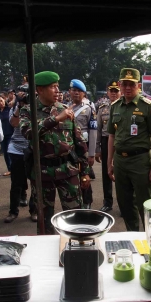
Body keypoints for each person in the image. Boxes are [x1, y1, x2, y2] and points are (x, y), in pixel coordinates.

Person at [19, 71, 90, 234]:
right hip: (43, 173)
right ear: (40, 90)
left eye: (58, 86)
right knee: (44, 221)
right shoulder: (28, 111)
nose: (57, 90)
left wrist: (85, 172)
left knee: (74, 217)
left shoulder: (65, 109)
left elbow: (79, 142)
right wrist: (56, 119)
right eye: (53, 86)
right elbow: (28, 132)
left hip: (68, 170)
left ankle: (76, 249)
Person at [107, 68, 151, 231]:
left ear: (138, 85)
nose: (127, 88)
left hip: (140, 161)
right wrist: (109, 163)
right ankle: (133, 235)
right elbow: (111, 136)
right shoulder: (115, 106)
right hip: (120, 161)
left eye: (131, 84)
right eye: (124, 84)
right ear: (120, 85)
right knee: (124, 203)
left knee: (145, 202)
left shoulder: (148, 106)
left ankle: (150, 237)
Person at [4, 95, 37, 223]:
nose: (25, 103)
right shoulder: (15, 110)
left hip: (33, 150)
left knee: (35, 181)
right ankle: (13, 212)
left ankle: (34, 210)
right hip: (16, 149)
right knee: (16, 183)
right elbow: (13, 123)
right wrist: (19, 107)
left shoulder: (37, 110)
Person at [70, 79, 97, 209]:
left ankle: (87, 203)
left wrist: (91, 153)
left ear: (84, 93)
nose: (76, 93)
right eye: (74, 90)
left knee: (84, 176)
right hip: (69, 149)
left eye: (79, 91)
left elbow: (93, 132)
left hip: (83, 148)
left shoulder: (89, 109)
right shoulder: (64, 108)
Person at [95, 81, 119, 212]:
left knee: (121, 173)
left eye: (116, 91)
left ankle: (123, 203)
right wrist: (97, 149)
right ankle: (107, 202)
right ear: (108, 92)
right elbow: (98, 129)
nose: (114, 93)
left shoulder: (124, 107)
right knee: (106, 173)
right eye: (111, 91)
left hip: (120, 142)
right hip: (105, 141)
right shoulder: (102, 108)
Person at [0, 94, 14, 176]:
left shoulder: (9, 109)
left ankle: (14, 168)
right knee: (5, 153)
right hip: (2, 135)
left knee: (10, 152)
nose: (0, 103)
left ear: (4, 100)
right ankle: (10, 169)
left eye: (1, 101)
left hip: (10, 134)